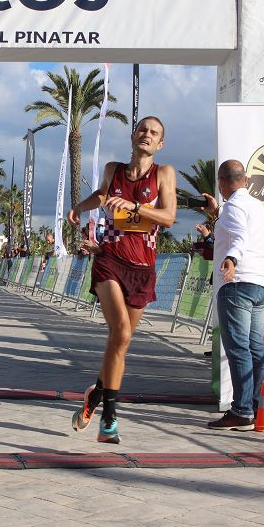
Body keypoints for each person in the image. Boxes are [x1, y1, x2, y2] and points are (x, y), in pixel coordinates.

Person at [66, 116, 176, 444]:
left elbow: (168, 217)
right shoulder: (114, 170)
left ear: (160, 144)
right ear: (132, 136)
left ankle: (95, 397)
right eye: (143, 129)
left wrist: (134, 207)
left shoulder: (164, 174)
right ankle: (109, 420)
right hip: (109, 259)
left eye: (154, 132)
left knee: (120, 344)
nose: (147, 135)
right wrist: (79, 208)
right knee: (121, 332)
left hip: (143, 268)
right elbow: (101, 197)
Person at [201, 159, 264, 430]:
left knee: (239, 349)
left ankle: (242, 411)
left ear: (221, 183)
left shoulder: (233, 207)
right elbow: (241, 228)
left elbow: (240, 236)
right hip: (259, 284)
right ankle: (259, 407)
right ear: (246, 180)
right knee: (256, 349)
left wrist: (232, 258)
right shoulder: (255, 206)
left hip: (237, 285)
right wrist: (217, 212)